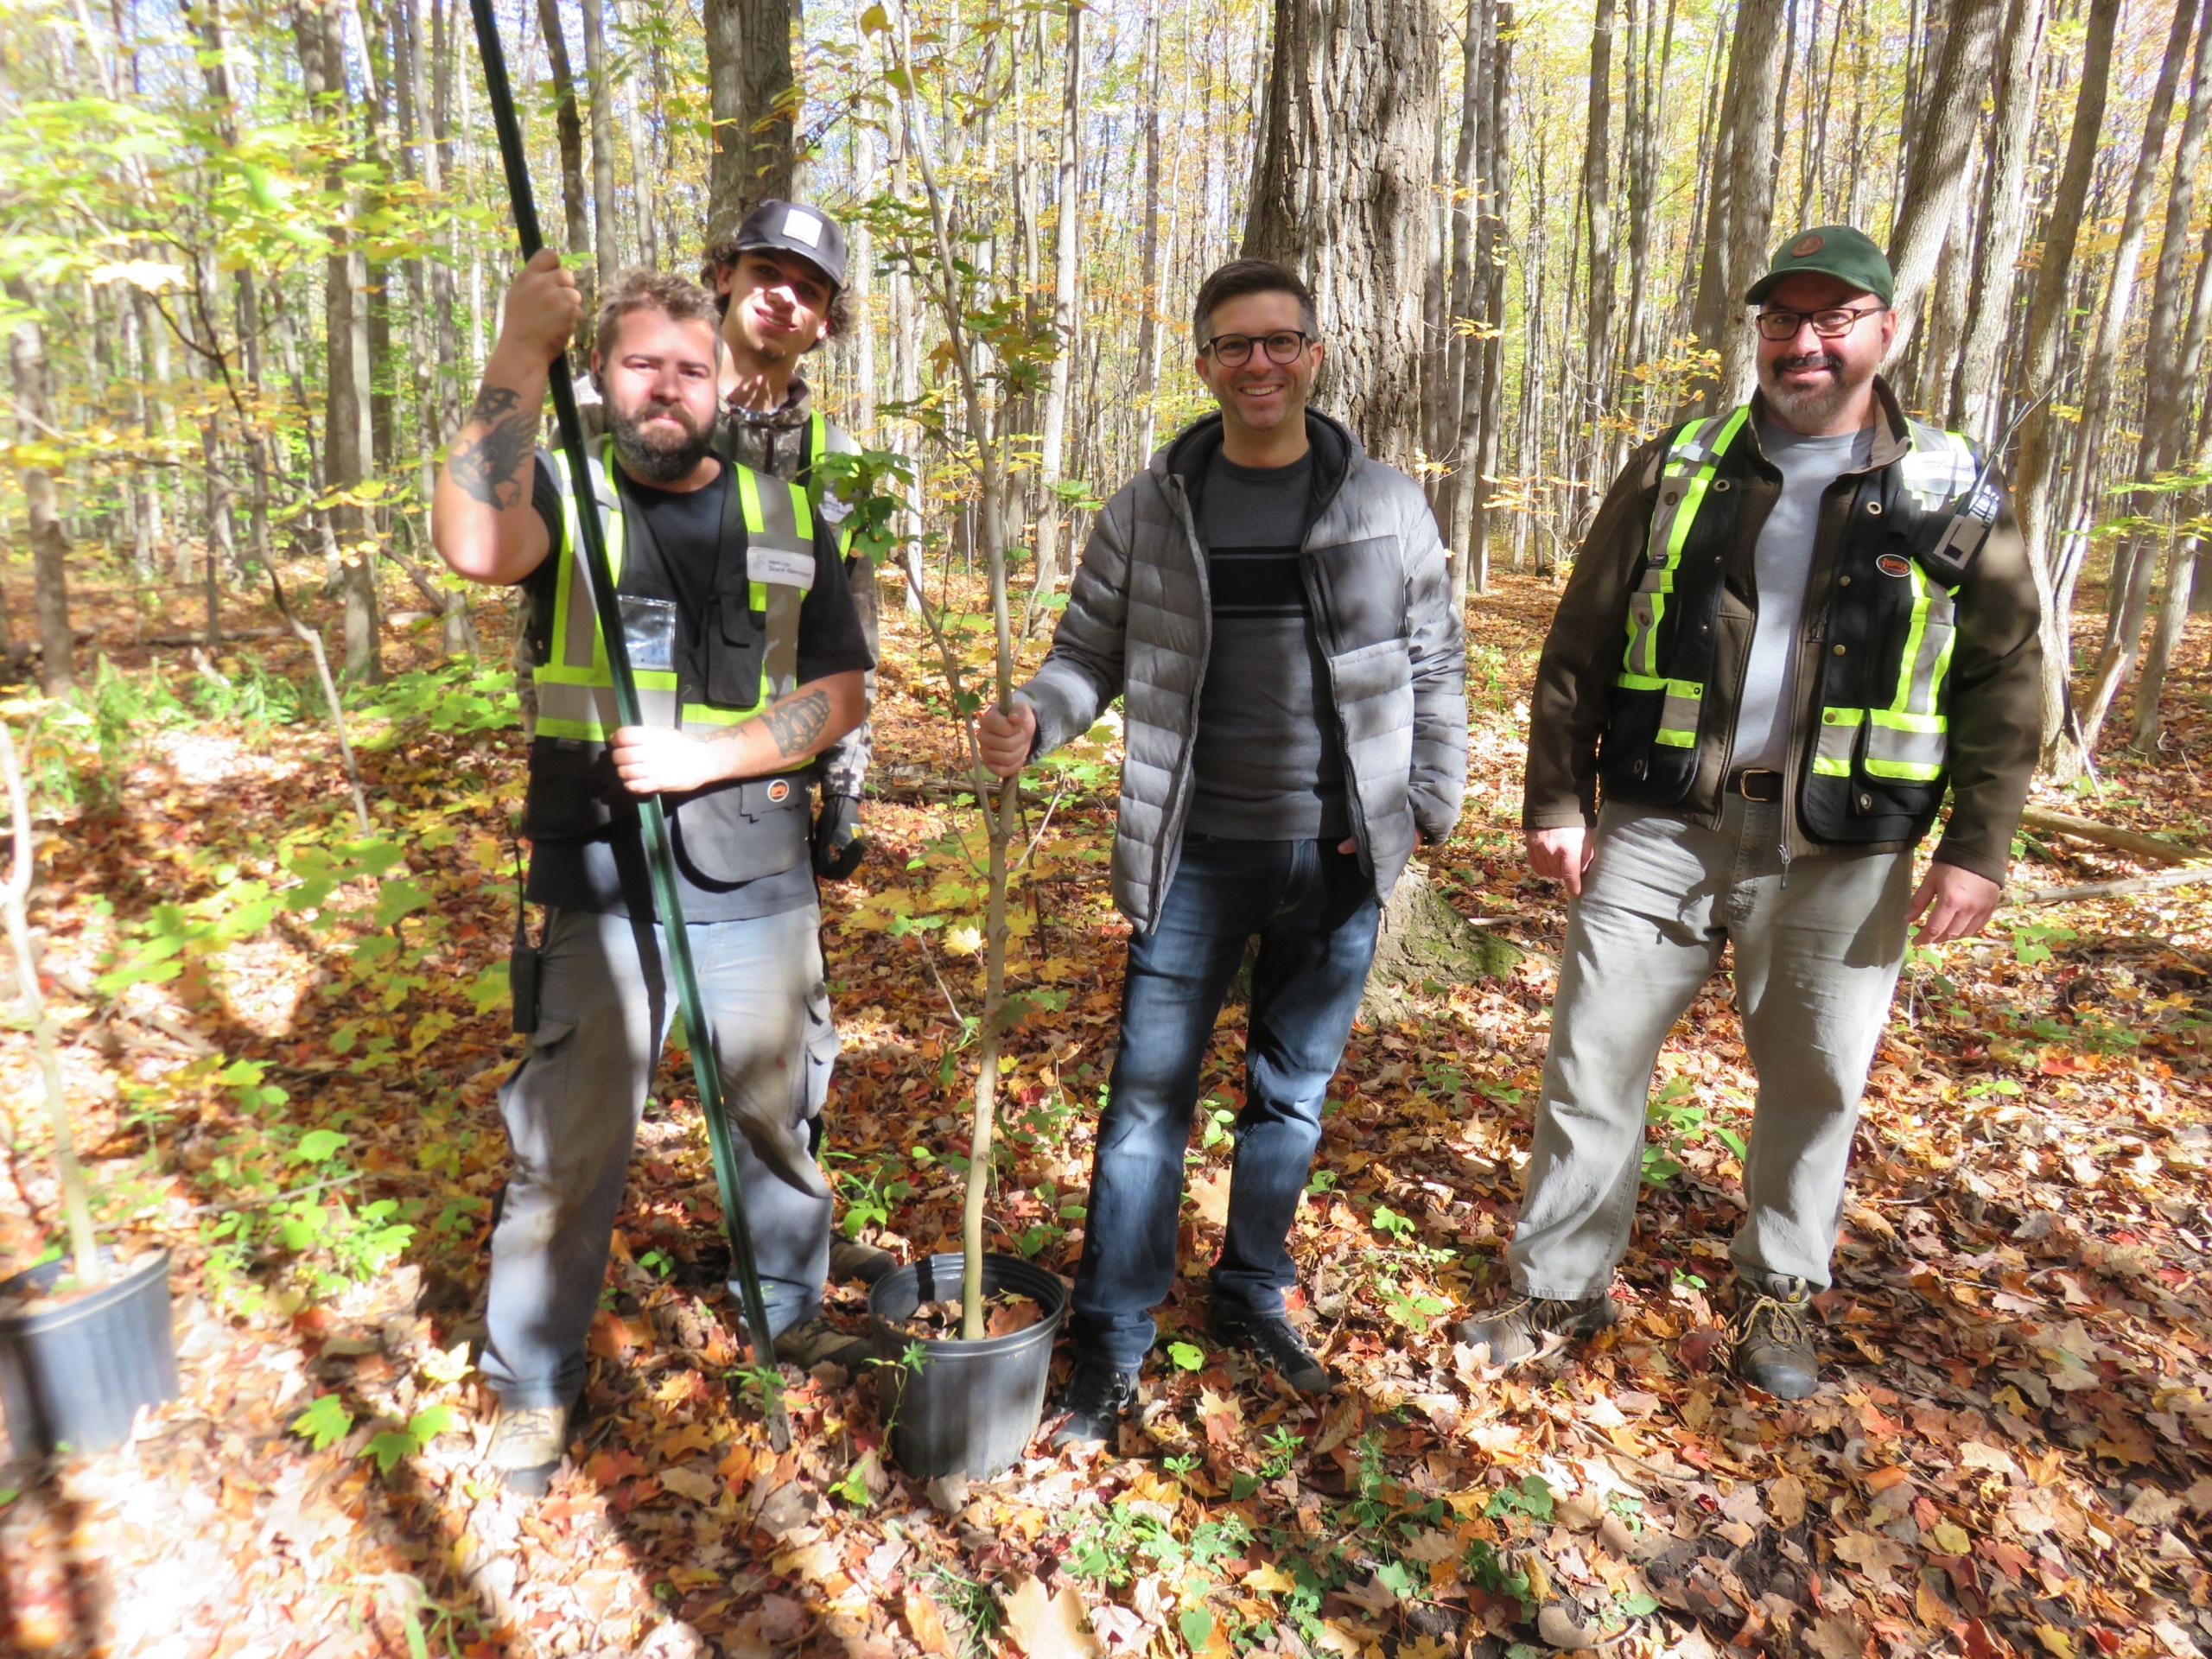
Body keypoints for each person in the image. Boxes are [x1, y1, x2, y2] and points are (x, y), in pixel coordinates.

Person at [1460, 226, 2042, 1399]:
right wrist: (1559, 795)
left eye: (1835, 318)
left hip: (1846, 841)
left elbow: (2007, 676)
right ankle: (1558, 1284)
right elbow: (1579, 643)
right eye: (1783, 320)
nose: (1805, 342)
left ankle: (1780, 1290)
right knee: (1592, 1064)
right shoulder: (1679, 464)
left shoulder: (1948, 485)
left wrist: (1978, 848)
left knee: (1819, 1080)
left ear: (1889, 331)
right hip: (1661, 820)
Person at [976, 258, 1468, 1448]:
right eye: (1234, 346)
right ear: (1203, 363)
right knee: (1145, 1109)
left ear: (1314, 354)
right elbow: (1087, 653)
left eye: (1280, 341)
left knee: (1288, 1100)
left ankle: (1252, 1296)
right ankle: (1114, 1340)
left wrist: (1425, 806)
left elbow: (1438, 663)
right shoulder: (1154, 509)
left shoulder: (1383, 503)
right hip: (1190, 857)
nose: (1259, 363)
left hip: (1338, 854)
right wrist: (1037, 717)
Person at [432, 256, 876, 1491]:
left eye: (691, 368)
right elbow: (473, 539)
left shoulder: (790, 516)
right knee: (571, 1147)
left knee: (774, 1116)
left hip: (757, 871)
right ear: (606, 378)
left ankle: (790, 1311)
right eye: (642, 365)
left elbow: (840, 687)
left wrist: (712, 756)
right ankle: (530, 1382)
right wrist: (520, 346)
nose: (669, 387)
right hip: (598, 872)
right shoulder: (562, 494)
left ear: (724, 379)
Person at [699, 200, 895, 1291]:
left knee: (786, 1049)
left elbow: (851, 637)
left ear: (827, 320)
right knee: (590, 1060)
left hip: (769, 794)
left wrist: (845, 793)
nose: (783, 295)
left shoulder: (839, 460)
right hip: (634, 779)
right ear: (724, 277)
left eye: (809, 286)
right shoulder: (634, 409)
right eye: (766, 270)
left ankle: (784, 1252)